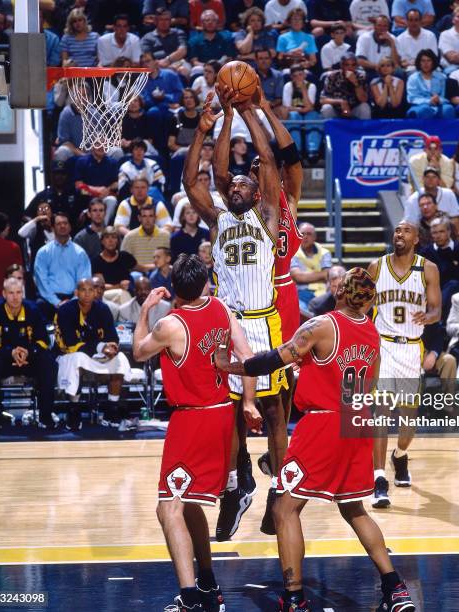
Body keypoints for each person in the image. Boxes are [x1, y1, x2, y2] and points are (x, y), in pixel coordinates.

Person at [213, 268, 417, 612]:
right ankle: (395, 588)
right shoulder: (372, 333)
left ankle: (293, 597)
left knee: (285, 509)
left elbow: (271, 360)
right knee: (354, 509)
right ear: (369, 302)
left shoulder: (321, 325)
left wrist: (229, 367)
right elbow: (365, 387)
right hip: (357, 422)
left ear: (339, 291)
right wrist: (315, 372)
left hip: (323, 425)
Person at [183, 89, 288, 540]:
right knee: (229, 418)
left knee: (275, 414)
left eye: (248, 181)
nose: (239, 184)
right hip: (228, 326)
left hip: (263, 323)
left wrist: (250, 113)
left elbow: (270, 163)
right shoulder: (219, 218)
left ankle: (280, 491)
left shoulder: (267, 215)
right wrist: (213, 125)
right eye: (236, 183)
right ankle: (235, 485)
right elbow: (197, 180)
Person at [131, 254, 257, 612]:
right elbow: (247, 358)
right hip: (221, 415)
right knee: (187, 504)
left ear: (173, 289)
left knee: (167, 509)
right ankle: (207, 583)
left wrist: (144, 311)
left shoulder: (170, 324)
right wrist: (248, 403)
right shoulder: (221, 308)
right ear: (205, 283)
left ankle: (189, 598)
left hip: (192, 419)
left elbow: (139, 352)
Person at [368, 223, 441, 506]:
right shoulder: (377, 266)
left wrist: (429, 316)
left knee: (408, 423)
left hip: (411, 348)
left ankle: (399, 455)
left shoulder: (428, 269)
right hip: (383, 345)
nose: (400, 235)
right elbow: (362, 304)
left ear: (417, 238)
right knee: (381, 414)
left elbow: (436, 309)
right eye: (397, 231)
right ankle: (378, 479)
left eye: (406, 231)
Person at [55, 278, 133, 431]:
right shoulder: (65, 310)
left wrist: (111, 347)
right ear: (76, 292)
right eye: (83, 290)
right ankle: (74, 410)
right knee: (77, 359)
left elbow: (113, 336)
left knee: (121, 359)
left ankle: (112, 408)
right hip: (69, 353)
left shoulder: (103, 309)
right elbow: (70, 342)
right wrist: (101, 346)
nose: (87, 294)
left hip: (97, 354)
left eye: (91, 290)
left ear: (96, 292)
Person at [0, 278, 58, 429]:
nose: (15, 297)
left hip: (29, 359)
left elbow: (44, 341)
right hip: (4, 361)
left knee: (48, 362)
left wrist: (27, 352)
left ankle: (45, 415)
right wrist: (11, 352)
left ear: (23, 294)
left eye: (18, 292)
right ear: (4, 294)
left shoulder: (33, 310)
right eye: (11, 293)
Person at [33, 212, 92, 319]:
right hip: (49, 300)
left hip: (75, 298)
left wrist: (73, 300)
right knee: (39, 305)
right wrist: (57, 302)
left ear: (69, 226)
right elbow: (42, 282)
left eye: (65, 223)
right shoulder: (43, 252)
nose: (63, 226)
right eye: (59, 224)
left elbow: (84, 281)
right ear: (53, 227)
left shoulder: (80, 253)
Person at [420, 217, 459, 320]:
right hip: (433, 290)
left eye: (441, 231)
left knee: (452, 285)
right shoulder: (425, 252)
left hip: (458, 289)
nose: (438, 236)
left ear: (449, 232)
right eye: (434, 233)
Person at [140, 51, 184, 152]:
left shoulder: (170, 75)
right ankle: (156, 148)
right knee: (153, 112)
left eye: (148, 61)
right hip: (155, 108)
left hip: (171, 108)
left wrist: (166, 96)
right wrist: (157, 99)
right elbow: (143, 99)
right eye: (143, 62)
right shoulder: (142, 79)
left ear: (156, 62)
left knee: (173, 115)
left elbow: (180, 94)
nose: (145, 64)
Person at [404, 167, 459, 236]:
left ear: (439, 180)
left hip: (446, 234)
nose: (430, 179)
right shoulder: (413, 199)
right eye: (427, 177)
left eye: (434, 177)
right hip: (422, 234)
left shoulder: (448, 194)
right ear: (423, 179)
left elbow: (455, 219)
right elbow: (409, 224)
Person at [282, 64, 322, 162]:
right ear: (291, 77)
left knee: (312, 116)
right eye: (295, 76)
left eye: (300, 75)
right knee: (294, 116)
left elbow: (310, 107)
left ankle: (313, 151)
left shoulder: (311, 86)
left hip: (308, 113)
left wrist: (304, 90)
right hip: (295, 114)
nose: (298, 78)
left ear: (305, 75)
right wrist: (303, 109)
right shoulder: (288, 86)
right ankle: (296, 150)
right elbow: (287, 108)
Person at [290, 223, 333, 310]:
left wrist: (306, 276)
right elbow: (299, 278)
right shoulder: (292, 252)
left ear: (314, 237)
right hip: (301, 293)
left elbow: (328, 274)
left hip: (323, 292)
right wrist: (322, 274)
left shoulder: (325, 252)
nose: (305, 237)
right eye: (302, 234)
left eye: (309, 234)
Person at [73, 146, 119, 223]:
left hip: (105, 197)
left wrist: (107, 190)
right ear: (92, 147)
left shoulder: (113, 162)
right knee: (80, 191)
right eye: (98, 144)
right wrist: (95, 191)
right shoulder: (81, 161)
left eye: (104, 144)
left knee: (112, 200)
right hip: (87, 195)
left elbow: (116, 183)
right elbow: (78, 185)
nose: (101, 147)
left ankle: (103, 227)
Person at [405, 48, 455, 119]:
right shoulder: (413, 78)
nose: (426, 63)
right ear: (419, 62)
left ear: (433, 62)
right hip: (419, 106)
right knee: (425, 110)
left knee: (448, 109)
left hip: (438, 104)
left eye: (429, 60)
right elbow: (412, 98)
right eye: (423, 61)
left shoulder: (441, 77)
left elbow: (443, 96)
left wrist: (438, 100)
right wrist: (429, 101)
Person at [121, 204, 171, 273]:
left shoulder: (166, 236)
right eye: (144, 216)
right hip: (137, 275)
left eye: (150, 216)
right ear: (139, 218)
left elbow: (170, 261)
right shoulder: (129, 237)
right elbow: (124, 262)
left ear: (155, 218)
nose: (147, 220)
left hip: (160, 273)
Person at [320, 53, 371, 120]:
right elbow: (322, 100)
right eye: (347, 65)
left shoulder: (361, 76)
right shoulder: (332, 76)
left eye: (353, 65)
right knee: (326, 108)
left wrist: (355, 83)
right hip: (336, 109)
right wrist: (341, 102)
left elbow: (363, 99)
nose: (350, 68)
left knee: (365, 107)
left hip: (354, 109)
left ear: (356, 66)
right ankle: (331, 130)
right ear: (341, 65)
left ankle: (364, 130)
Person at [91, 227, 136, 304]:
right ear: (102, 241)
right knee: (121, 294)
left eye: (114, 237)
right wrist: (119, 286)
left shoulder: (125, 256)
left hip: (126, 291)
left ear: (117, 241)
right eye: (107, 237)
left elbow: (141, 268)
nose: (110, 240)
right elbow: (100, 286)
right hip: (106, 294)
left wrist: (155, 265)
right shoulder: (96, 261)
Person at [140, 9, 188, 77]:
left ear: (170, 21)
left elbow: (183, 51)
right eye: (161, 20)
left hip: (177, 62)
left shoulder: (178, 33)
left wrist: (168, 60)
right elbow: (146, 58)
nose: (164, 22)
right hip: (156, 65)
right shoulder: (147, 37)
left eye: (167, 19)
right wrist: (161, 65)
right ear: (156, 21)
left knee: (184, 70)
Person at [168, 89, 202, 159]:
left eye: (191, 97)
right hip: (180, 153)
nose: (189, 100)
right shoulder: (176, 118)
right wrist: (187, 150)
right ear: (182, 101)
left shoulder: (202, 118)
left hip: (198, 153)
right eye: (186, 98)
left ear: (195, 99)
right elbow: (171, 144)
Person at [254, 49, 287, 120]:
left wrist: (270, 104)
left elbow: (279, 98)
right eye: (260, 59)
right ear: (256, 61)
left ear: (271, 60)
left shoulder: (278, 75)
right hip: (254, 106)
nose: (264, 61)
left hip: (272, 106)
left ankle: (280, 131)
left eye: (266, 58)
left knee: (283, 111)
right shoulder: (249, 75)